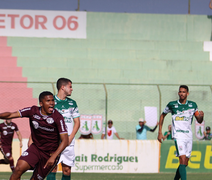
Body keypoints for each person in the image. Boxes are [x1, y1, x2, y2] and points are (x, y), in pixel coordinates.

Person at [0, 91, 68, 180]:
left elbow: (65, 140)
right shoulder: (32, 111)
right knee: (18, 169)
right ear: (41, 103)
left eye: (52, 101)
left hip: (50, 154)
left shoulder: (58, 117)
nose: (51, 103)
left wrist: (54, 157)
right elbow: (11, 114)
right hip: (36, 149)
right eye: (48, 101)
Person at [157, 85, 204, 180]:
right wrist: (160, 132)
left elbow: (198, 120)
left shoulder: (193, 105)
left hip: (188, 135)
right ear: (178, 93)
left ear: (187, 93)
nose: (181, 94)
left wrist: (201, 116)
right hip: (178, 135)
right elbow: (162, 115)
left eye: (183, 92)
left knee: (185, 162)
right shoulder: (172, 105)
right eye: (180, 92)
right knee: (182, 159)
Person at [47, 78, 80, 180]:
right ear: (63, 87)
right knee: (52, 168)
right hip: (53, 141)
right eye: (70, 86)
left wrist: (70, 138)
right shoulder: (50, 101)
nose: (72, 89)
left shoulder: (72, 103)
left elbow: (77, 122)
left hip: (68, 142)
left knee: (67, 170)